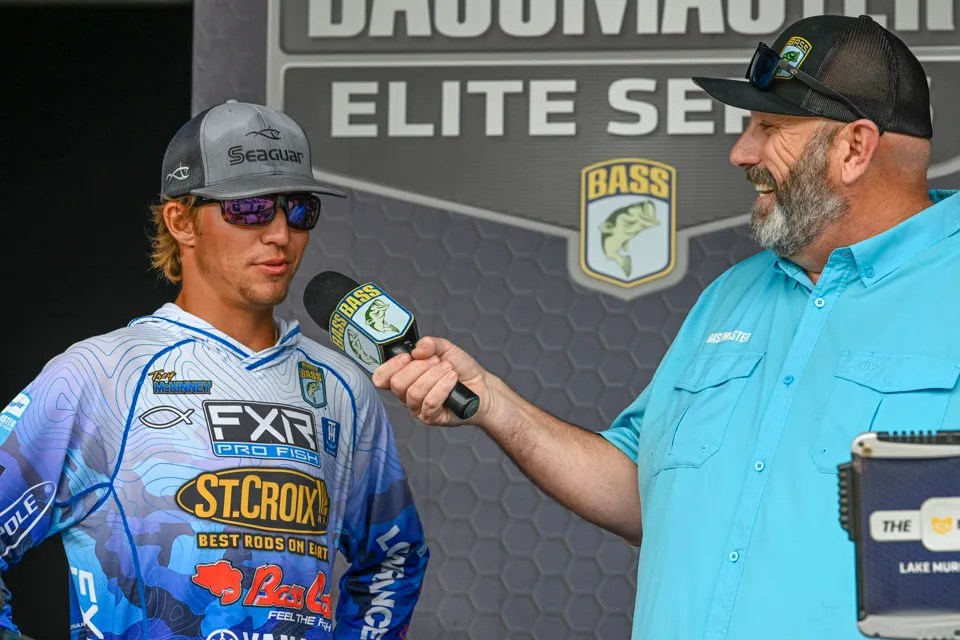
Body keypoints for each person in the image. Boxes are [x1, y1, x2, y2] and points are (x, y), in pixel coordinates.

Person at [373, 14, 959, 640]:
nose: (742, 152)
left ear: (855, 148)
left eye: (769, 128)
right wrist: (493, 403)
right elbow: (641, 490)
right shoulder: (730, 297)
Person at [0, 101, 428, 640]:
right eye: (250, 208)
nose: (280, 233)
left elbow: (394, 558)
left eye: (299, 209)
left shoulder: (343, 389)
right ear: (180, 220)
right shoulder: (99, 375)